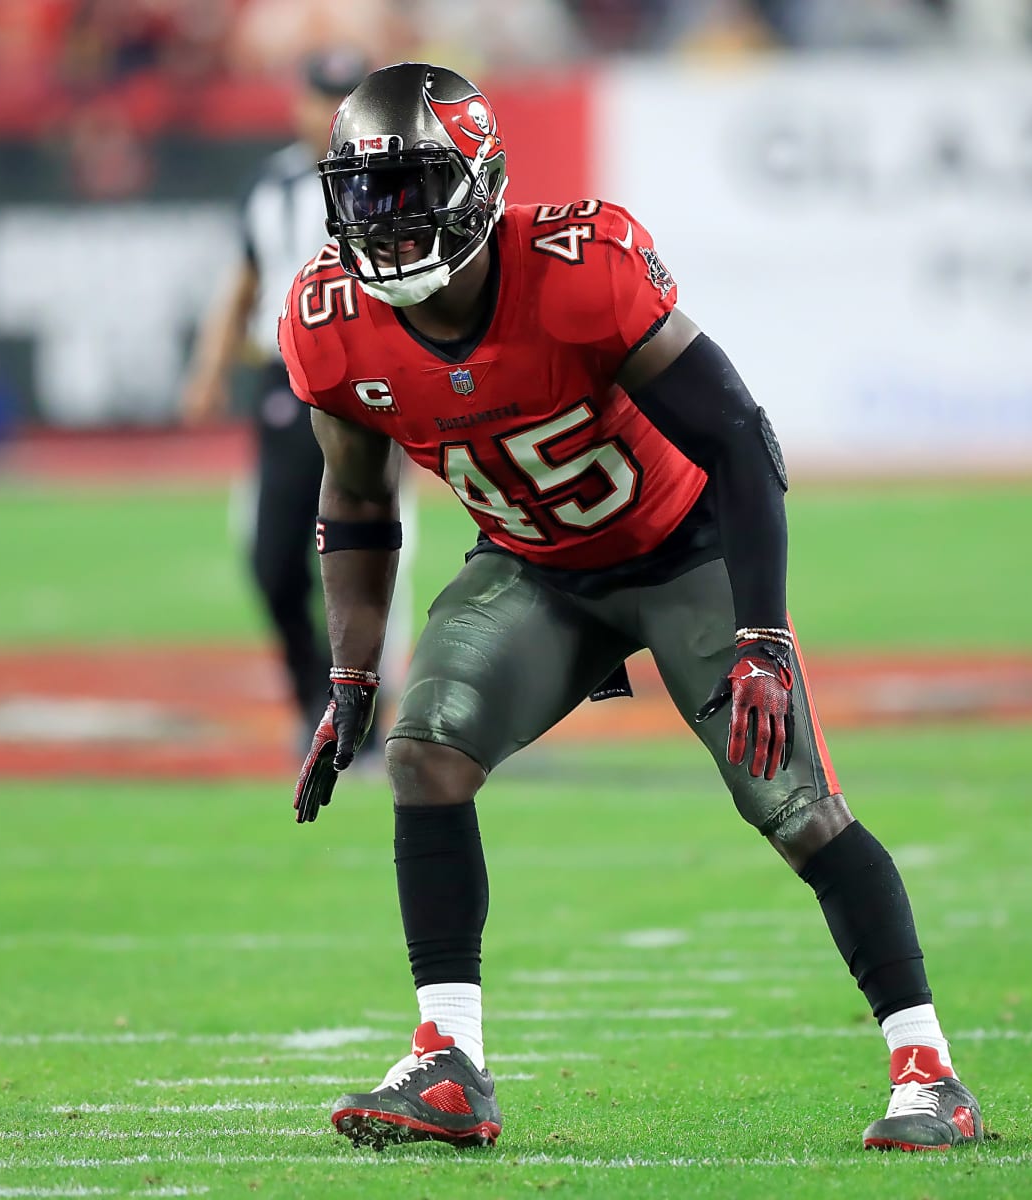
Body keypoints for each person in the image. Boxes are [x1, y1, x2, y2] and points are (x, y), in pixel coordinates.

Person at [278, 62, 985, 1154]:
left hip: (681, 550)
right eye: (367, 194)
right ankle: (448, 1061)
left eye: (415, 187)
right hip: (533, 565)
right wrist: (352, 676)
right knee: (424, 754)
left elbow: (741, 441)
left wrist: (761, 636)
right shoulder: (330, 319)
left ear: (479, 180)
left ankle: (929, 1069)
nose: (390, 219)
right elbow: (358, 502)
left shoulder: (578, 266)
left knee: (795, 808)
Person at [182, 49, 398, 740]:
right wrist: (210, 366)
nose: (328, 113)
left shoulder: (392, 175)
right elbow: (243, 278)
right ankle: (317, 698)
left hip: (370, 378)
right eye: (320, 96)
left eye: (345, 98)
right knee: (272, 557)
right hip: (289, 378)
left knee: (372, 552)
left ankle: (370, 711)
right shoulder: (270, 184)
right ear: (297, 102)